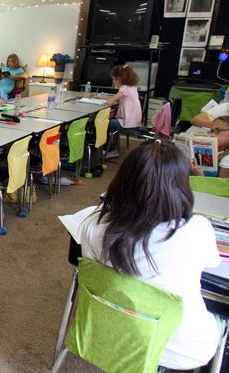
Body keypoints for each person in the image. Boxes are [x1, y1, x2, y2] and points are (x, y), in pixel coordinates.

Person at [80, 141, 221, 370]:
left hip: (110, 331)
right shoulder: (197, 229)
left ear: (122, 179)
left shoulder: (93, 225)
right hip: (184, 350)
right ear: (182, 185)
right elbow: (213, 265)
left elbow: (97, 275)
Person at [97, 64, 142, 158]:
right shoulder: (132, 87)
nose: (113, 82)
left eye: (114, 79)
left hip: (128, 122)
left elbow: (111, 101)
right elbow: (116, 98)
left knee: (102, 123)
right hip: (134, 120)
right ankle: (110, 146)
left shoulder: (124, 88)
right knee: (108, 123)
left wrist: (105, 99)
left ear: (119, 79)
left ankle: (111, 150)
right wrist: (102, 96)